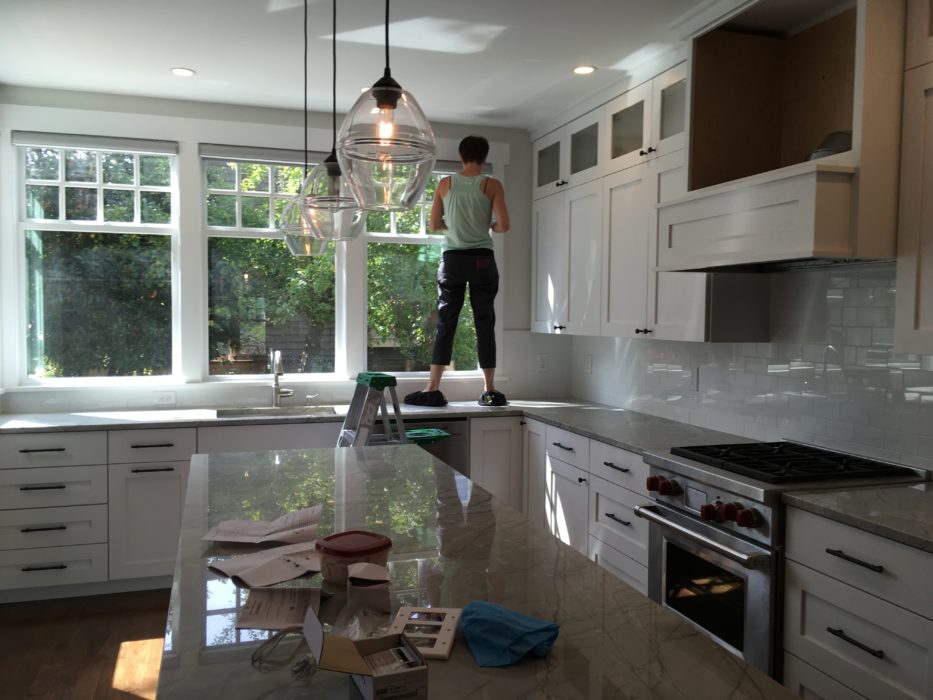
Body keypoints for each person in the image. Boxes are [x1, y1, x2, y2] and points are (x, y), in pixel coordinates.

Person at [404, 135, 510, 407]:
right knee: (484, 322)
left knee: (446, 322)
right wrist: (486, 226)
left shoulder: (445, 184)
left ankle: (432, 388)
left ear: (461, 156)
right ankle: (489, 390)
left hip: (452, 259)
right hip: (482, 260)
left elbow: (435, 225)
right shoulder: (492, 184)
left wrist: (455, 225)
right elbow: (503, 226)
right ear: (484, 157)